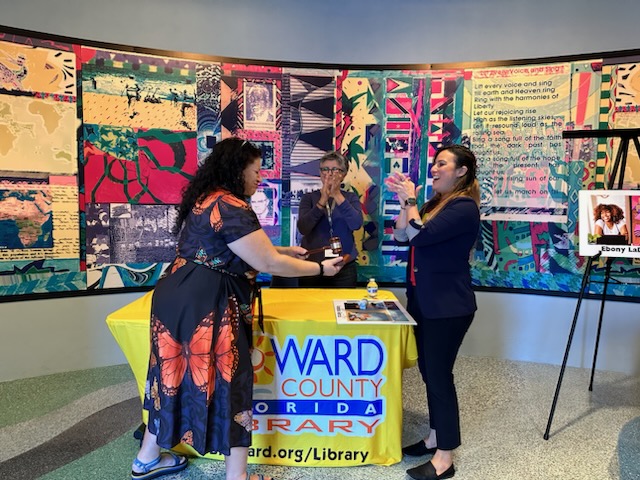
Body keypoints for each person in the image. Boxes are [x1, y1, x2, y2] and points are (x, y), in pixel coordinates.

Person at [131, 138, 344, 480]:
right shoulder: (232, 206)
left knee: (170, 377)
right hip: (207, 304)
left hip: (177, 296)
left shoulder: (207, 198)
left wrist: (284, 251)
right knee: (231, 383)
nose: (260, 177)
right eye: (255, 170)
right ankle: (237, 476)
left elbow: (234, 248)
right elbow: (266, 262)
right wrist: (320, 268)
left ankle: (146, 459)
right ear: (237, 169)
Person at [385, 144, 480, 480]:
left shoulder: (464, 207)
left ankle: (444, 459)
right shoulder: (434, 204)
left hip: (448, 307)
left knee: (439, 377)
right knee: (430, 373)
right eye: (435, 163)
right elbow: (402, 236)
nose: (434, 169)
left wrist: (410, 200)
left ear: (461, 171)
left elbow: (420, 237)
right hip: (424, 301)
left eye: (442, 164)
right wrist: (404, 203)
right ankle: (435, 437)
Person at [297, 151, 363, 287]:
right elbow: (303, 228)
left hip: (344, 266)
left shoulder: (350, 198)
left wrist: (337, 195)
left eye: (335, 170)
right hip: (312, 266)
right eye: (325, 169)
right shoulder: (309, 198)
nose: (329, 174)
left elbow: (356, 224)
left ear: (343, 174)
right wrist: (322, 201)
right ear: (320, 173)